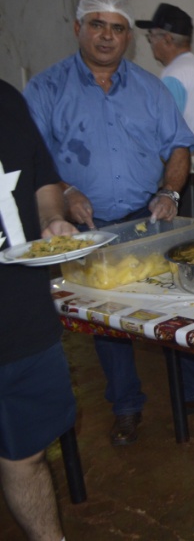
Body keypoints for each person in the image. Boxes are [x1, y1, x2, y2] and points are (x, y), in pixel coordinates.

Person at [24, 0, 194, 447]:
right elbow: (33, 161)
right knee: (107, 320)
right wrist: (66, 191)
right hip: (82, 227)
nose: (107, 35)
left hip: (146, 220)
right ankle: (126, 406)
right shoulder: (46, 89)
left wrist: (169, 190)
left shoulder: (149, 87)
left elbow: (178, 147)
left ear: (129, 38)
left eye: (117, 28)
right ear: (77, 28)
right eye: (97, 25)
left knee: (178, 305)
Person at [0, 79, 79, 541]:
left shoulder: (8, 99)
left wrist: (52, 217)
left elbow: (41, 178)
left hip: (23, 312)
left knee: (26, 454)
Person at [136, 3, 194, 218]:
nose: (151, 44)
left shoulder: (173, 75)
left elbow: (163, 133)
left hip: (190, 176)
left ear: (166, 39)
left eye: (151, 37)